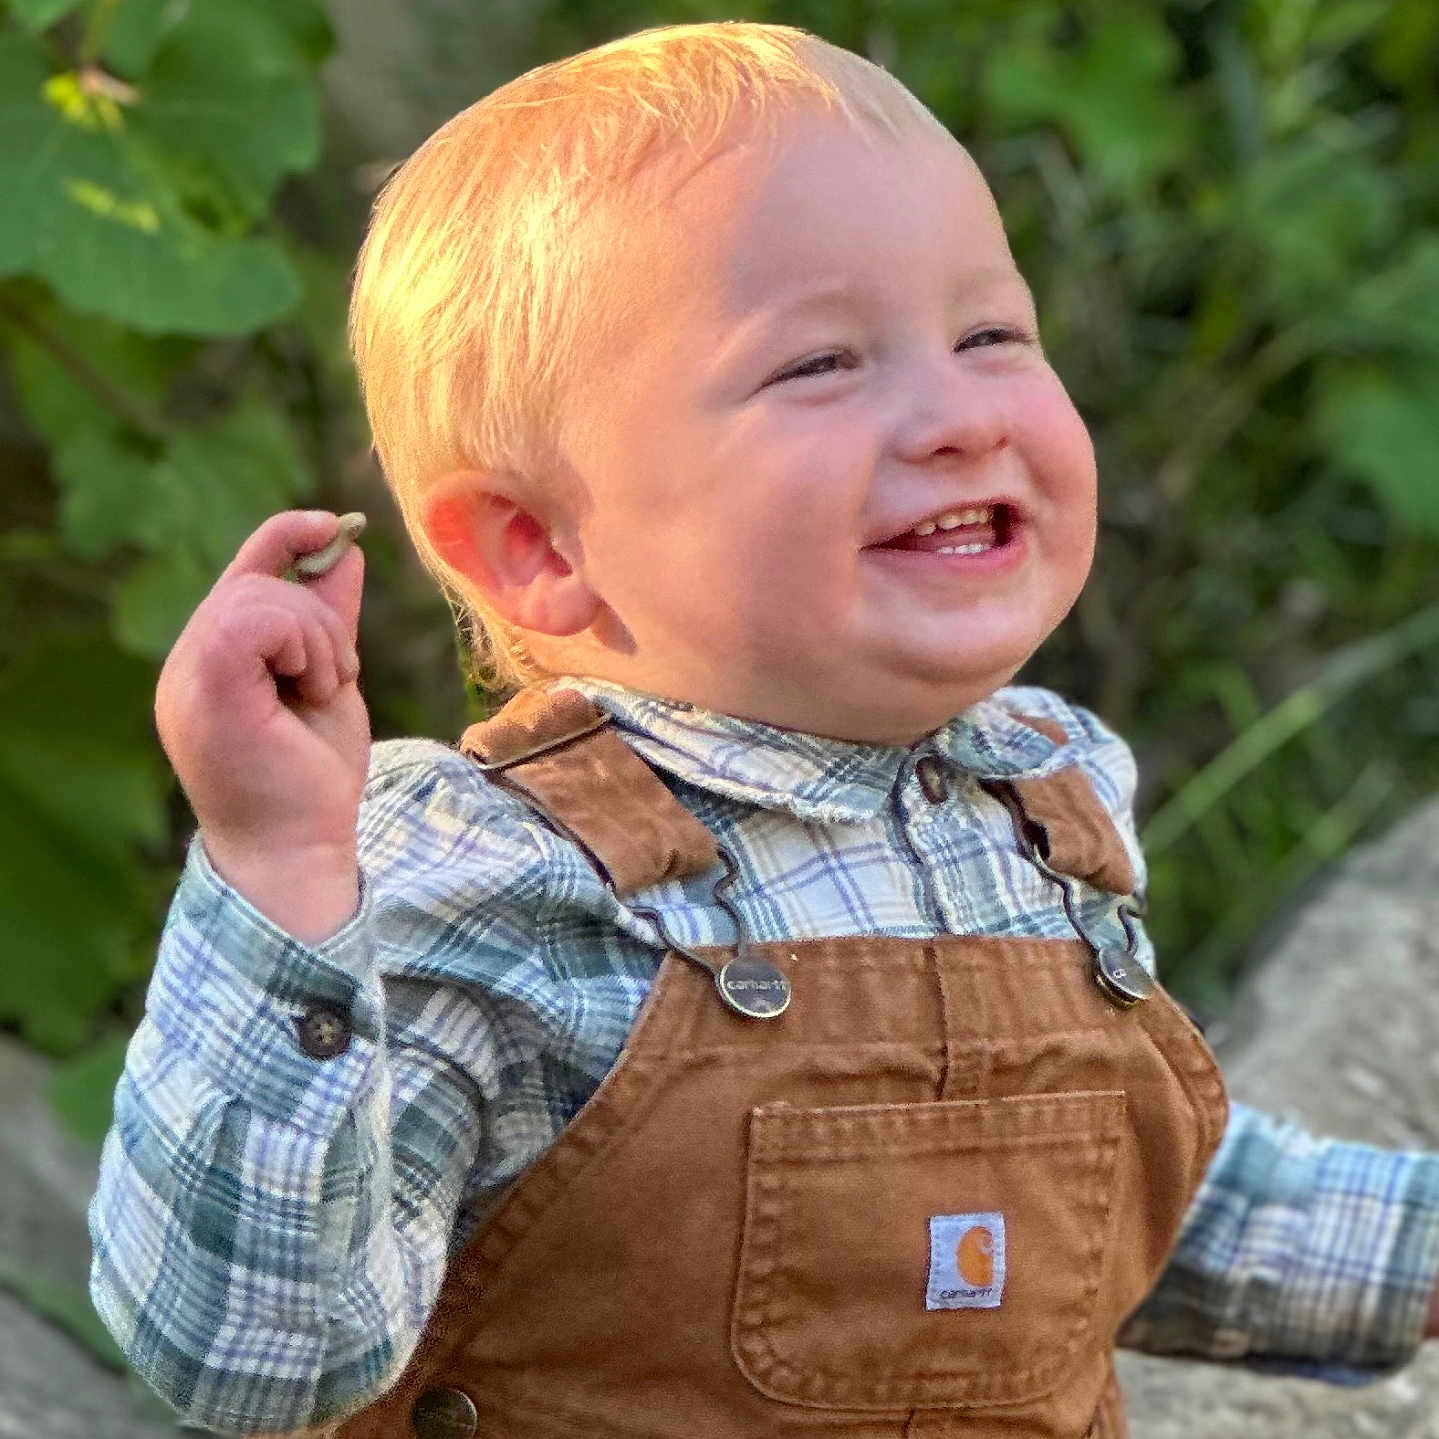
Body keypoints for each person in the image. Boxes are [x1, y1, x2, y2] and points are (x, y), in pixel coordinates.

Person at [88, 21, 1439, 1439]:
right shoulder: (505, 884)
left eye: (990, 334)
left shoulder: (1038, 806)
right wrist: (280, 874)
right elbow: (252, 1354)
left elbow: (1112, 1197)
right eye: (821, 366)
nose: (958, 414)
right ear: (541, 543)